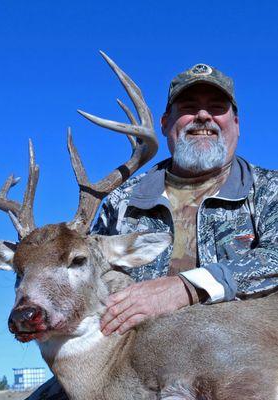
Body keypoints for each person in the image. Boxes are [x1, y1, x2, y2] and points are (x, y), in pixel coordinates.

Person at [27, 63, 278, 399]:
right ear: (165, 124)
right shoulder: (121, 201)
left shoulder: (268, 190)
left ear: (236, 123)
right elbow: (88, 281)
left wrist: (187, 288)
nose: (203, 117)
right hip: (137, 361)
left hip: (246, 353)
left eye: (216, 108)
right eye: (188, 109)